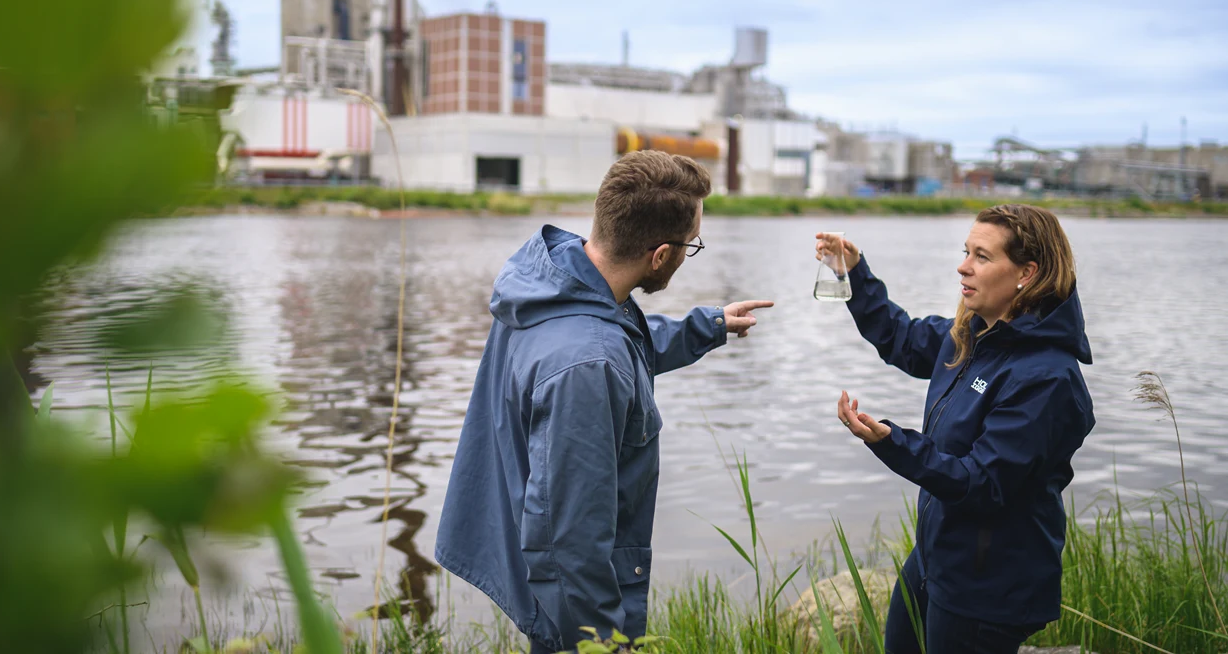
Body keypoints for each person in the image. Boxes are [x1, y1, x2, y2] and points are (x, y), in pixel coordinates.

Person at [435, 150, 774, 653]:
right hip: (570, 613)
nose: (688, 253)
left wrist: (708, 326)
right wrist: (605, 643)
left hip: (532, 574)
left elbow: (617, 340)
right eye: (690, 245)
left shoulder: (552, 284)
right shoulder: (587, 367)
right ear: (661, 255)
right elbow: (569, 537)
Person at [820, 204, 1094, 654]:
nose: (963, 266)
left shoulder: (1047, 377)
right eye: (966, 251)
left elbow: (982, 482)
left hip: (989, 583)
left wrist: (893, 442)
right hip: (939, 555)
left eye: (982, 257)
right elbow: (901, 337)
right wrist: (854, 272)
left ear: (1027, 272)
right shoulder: (974, 334)